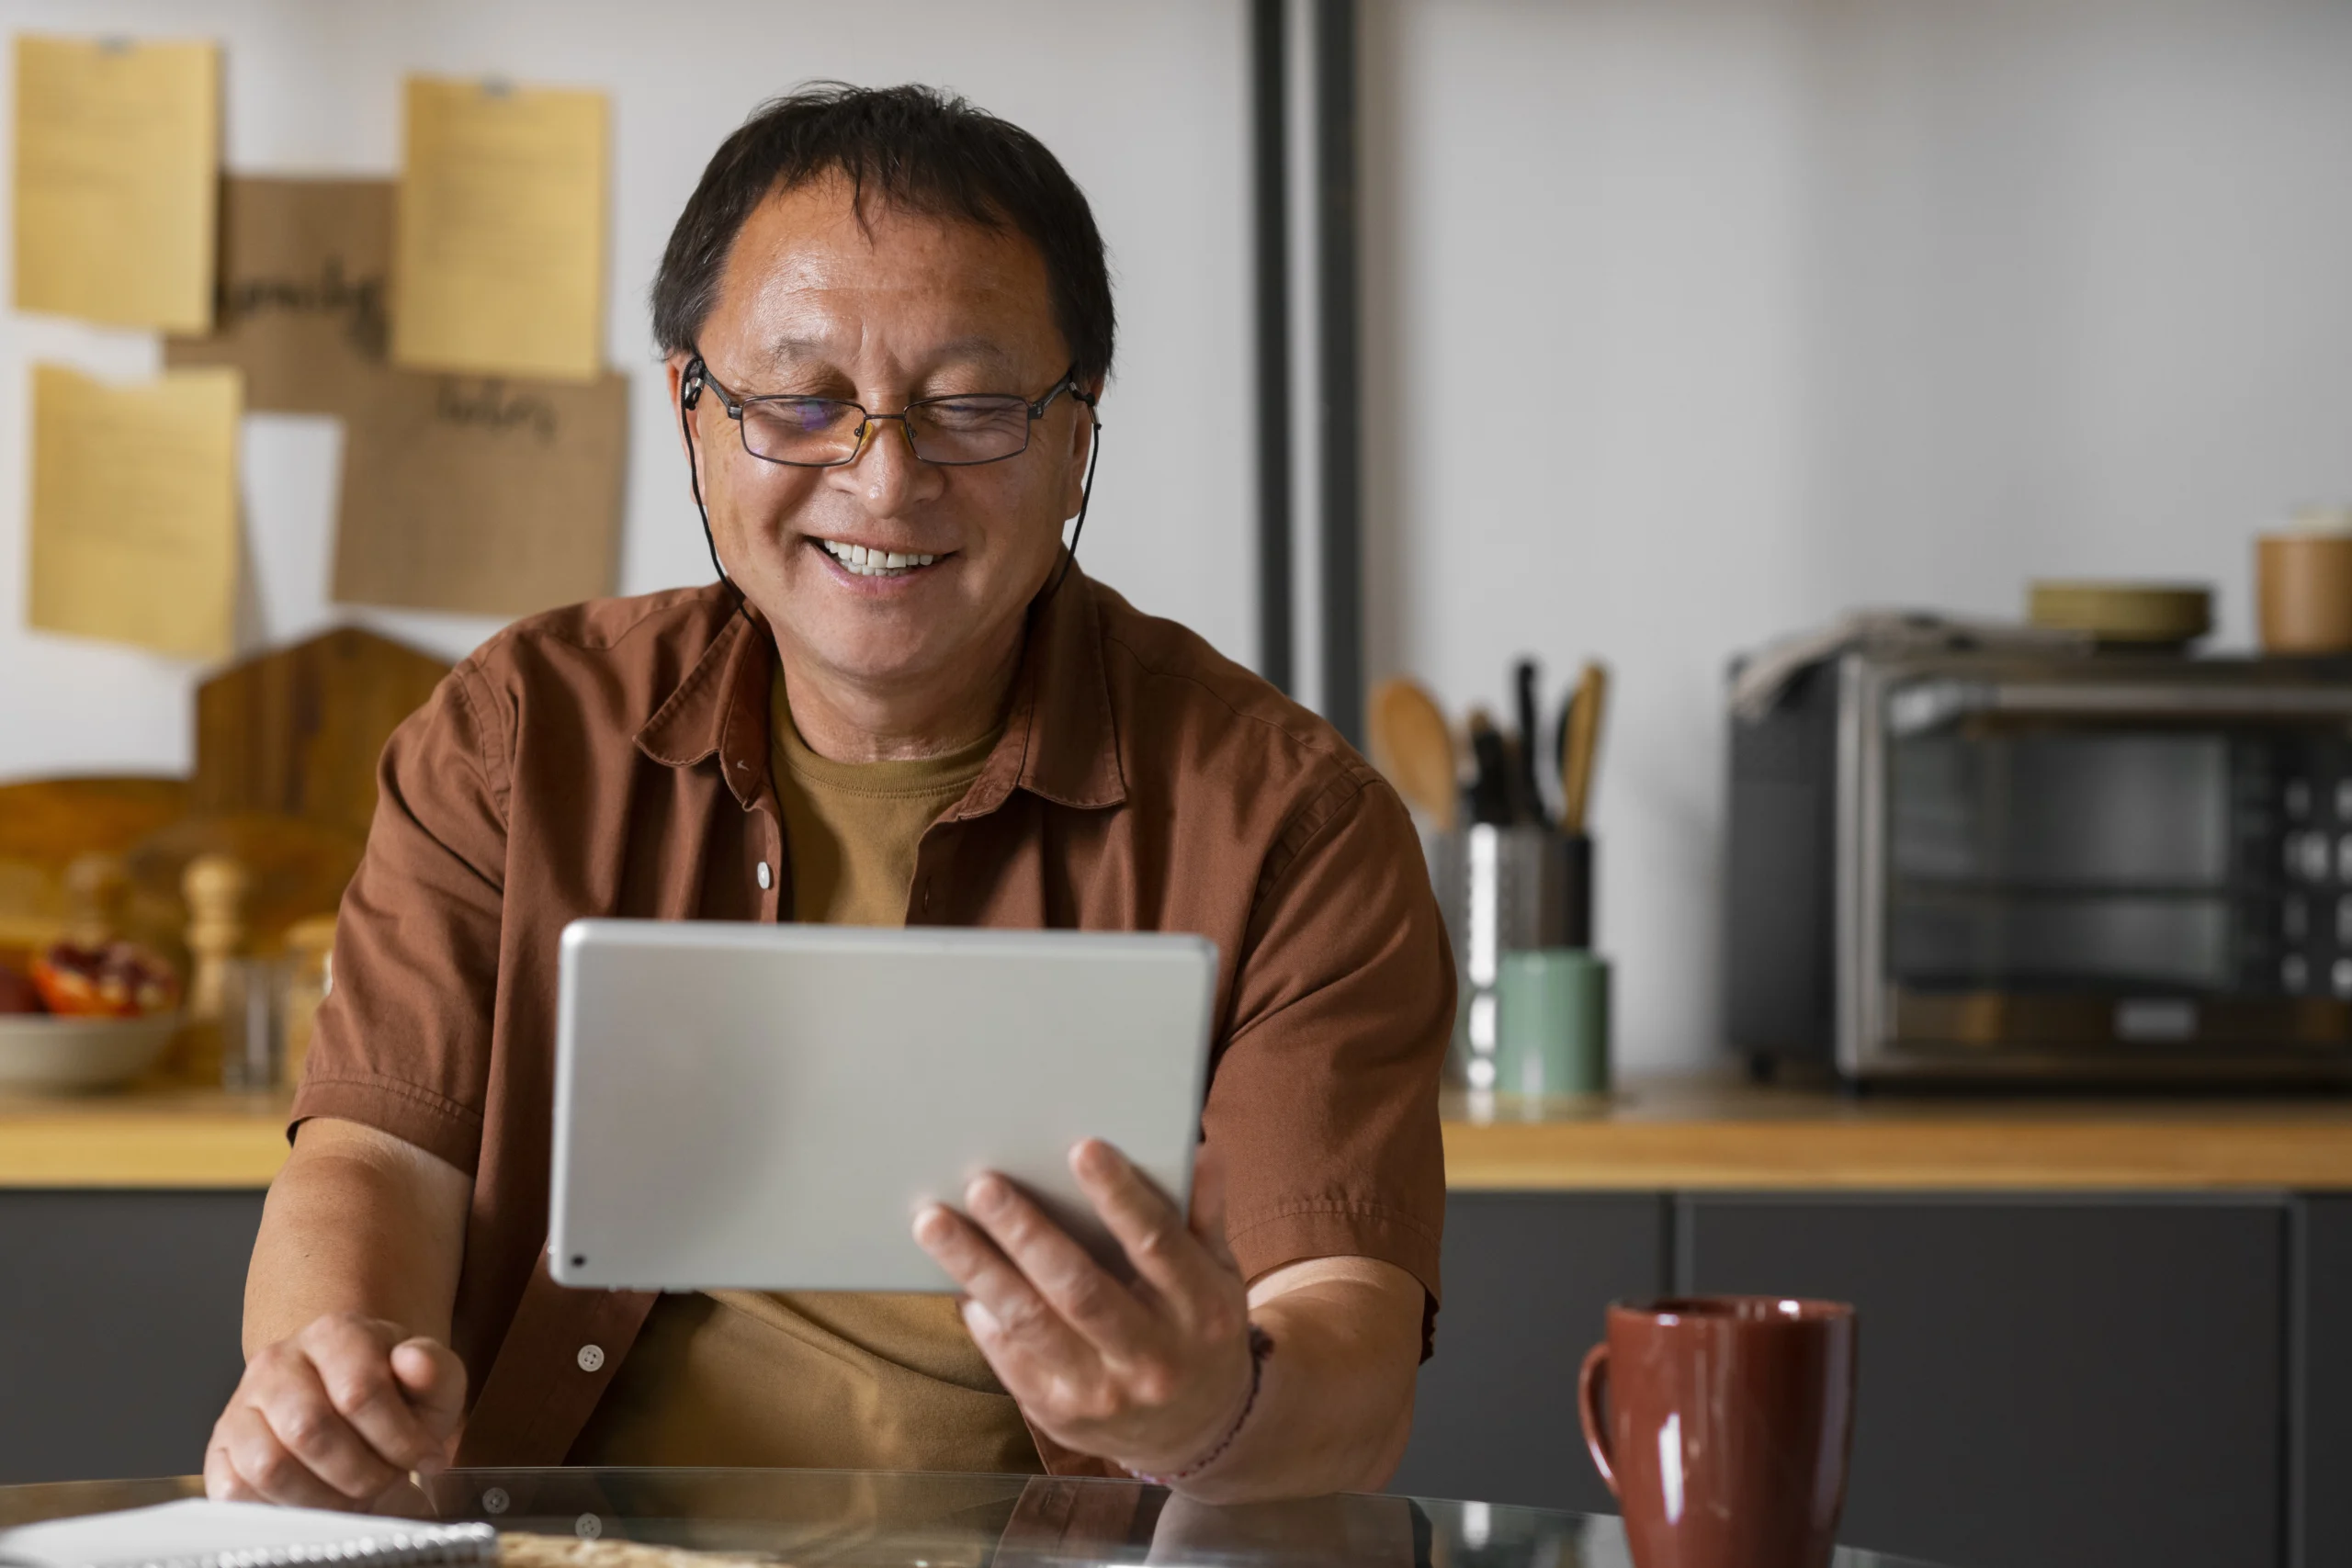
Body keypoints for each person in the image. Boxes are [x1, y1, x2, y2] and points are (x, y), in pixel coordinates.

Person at [206, 84, 1452, 1506]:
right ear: (693, 413)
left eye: (972, 406)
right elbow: (375, 1159)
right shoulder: (515, 735)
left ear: (1075, 436)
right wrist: (331, 1370)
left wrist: (1211, 1404)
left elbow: (1346, 1332)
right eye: (802, 403)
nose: (883, 474)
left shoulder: (1291, 823)